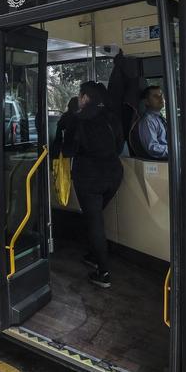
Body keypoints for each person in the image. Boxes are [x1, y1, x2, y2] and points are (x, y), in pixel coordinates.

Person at [63, 81, 124, 289]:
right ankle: (93, 254)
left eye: (80, 95)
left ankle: (103, 272)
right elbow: (119, 145)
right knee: (96, 218)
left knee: (94, 221)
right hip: (114, 174)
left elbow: (68, 151)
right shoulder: (112, 117)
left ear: (86, 97)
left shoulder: (77, 120)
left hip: (89, 177)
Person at [136, 85, 168, 160]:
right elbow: (152, 148)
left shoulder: (160, 118)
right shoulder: (148, 121)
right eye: (156, 96)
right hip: (162, 161)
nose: (161, 98)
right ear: (147, 102)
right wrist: (174, 150)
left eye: (161, 95)